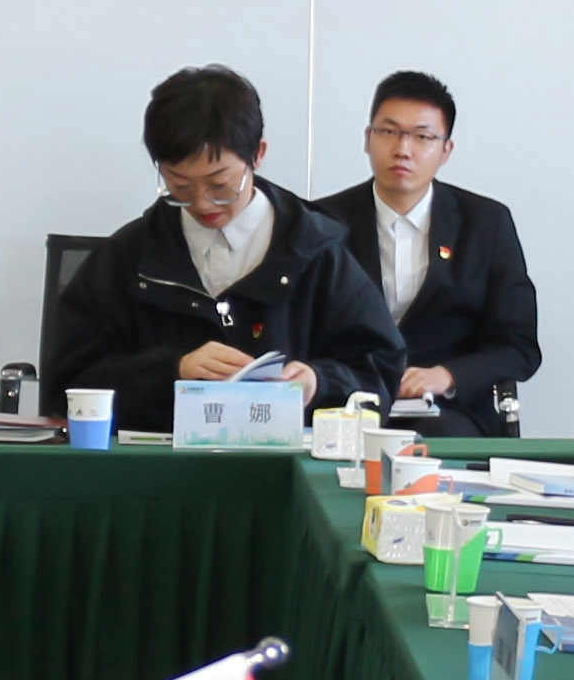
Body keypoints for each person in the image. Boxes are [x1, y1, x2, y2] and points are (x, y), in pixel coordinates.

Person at [49, 64, 401, 411]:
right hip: (159, 448)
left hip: (286, 447)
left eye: (220, 185)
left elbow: (380, 371)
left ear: (258, 154)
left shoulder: (316, 252)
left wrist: (319, 382)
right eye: (179, 186)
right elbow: (67, 384)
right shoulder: (129, 258)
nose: (202, 203)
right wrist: (172, 371)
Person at [305, 69, 541, 435]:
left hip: (449, 413)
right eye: (389, 132)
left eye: (422, 137)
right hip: (345, 406)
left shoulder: (485, 223)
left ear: (446, 150)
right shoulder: (321, 222)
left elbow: (518, 346)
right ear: (368, 139)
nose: (403, 149)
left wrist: (447, 376)